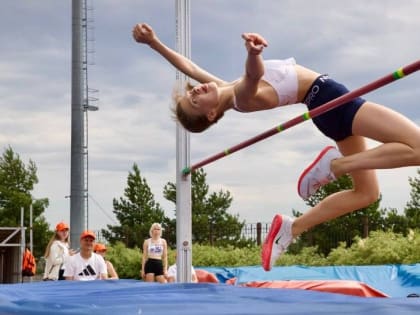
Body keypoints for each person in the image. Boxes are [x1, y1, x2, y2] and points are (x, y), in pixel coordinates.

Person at [132, 23, 420, 271]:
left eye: (191, 91)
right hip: (330, 101)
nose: (194, 90)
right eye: (194, 100)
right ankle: (336, 166)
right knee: (418, 148)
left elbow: (189, 67)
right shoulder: (241, 98)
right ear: (210, 114)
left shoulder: (225, 86)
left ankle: (292, 228)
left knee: (366, 193)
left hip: (326, 108)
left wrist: (154, 43)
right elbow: (254, 78)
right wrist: (253, 54)